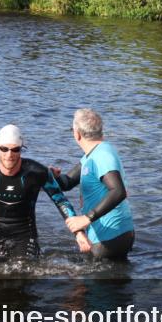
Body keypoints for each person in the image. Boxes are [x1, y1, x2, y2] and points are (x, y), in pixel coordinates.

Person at [0, 124, 89, 263]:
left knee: (24, 275)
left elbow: (60, 201)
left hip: (25, 233)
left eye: (15, 149)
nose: (9, 155)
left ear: (21, 149)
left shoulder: (38, 172)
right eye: (4, 149)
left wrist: (78, 232)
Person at [55, 109, 135, 260]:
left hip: (109, 238)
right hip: (117, 235)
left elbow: (118, 191)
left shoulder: (102, 156)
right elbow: (67, 182)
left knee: (90, 282)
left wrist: (86, 218)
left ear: (76, 133)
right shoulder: (94, 154)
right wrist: (54, 177)